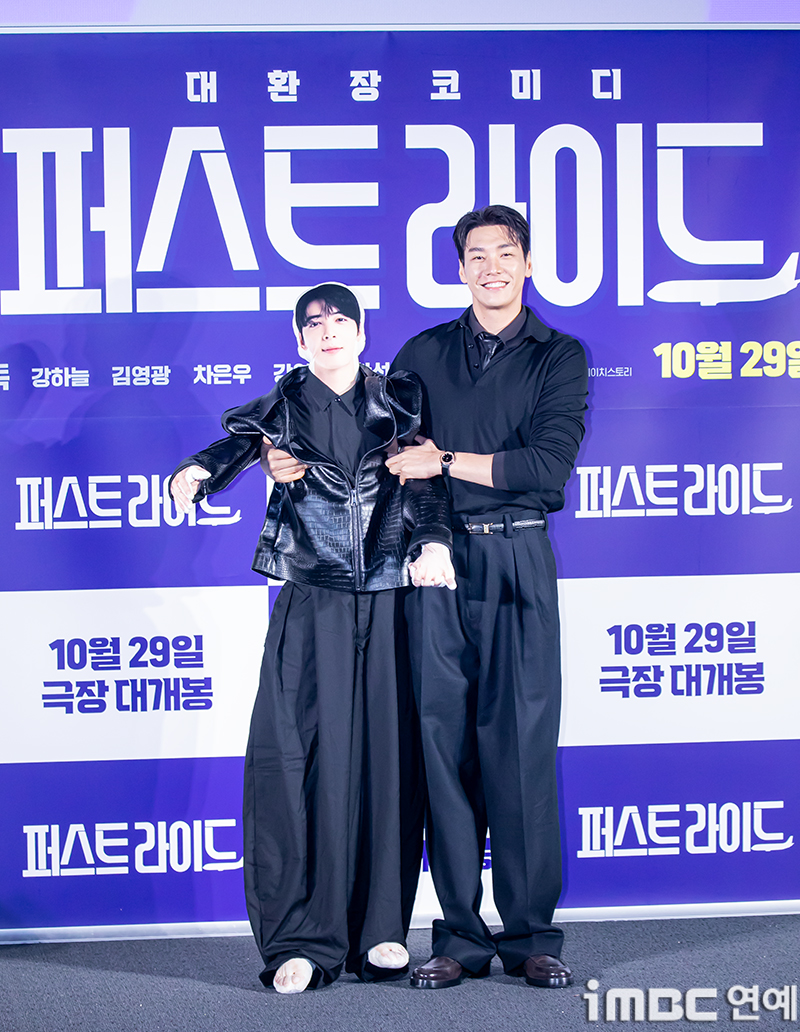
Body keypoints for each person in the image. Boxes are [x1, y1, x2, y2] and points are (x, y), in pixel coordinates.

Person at [170, 282, 454, 994]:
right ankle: (301, 939)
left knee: (387, 757)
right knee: (297, 756)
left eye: (340, 320)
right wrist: (199, 470)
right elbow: (237, 444)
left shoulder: (401, 400)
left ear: (361, 334)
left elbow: (423, 483)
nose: (328, 330)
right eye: (314, 323)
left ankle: (382, 929)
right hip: (311, 593)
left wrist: (435, 541)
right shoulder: (283, 404)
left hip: (388, 595)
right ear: (299, 341)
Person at [385, 205, 588, 989]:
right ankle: (460, 938)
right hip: (438, 563)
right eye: (476, 255)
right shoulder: (421, 353)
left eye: (506, 253)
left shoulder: (558, 355)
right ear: (460, 267)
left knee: (523, 748)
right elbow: (398, 461)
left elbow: (545, 467)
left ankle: (532, 935)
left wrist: (446, 459)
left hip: (518, 559)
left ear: (528, 264)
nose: (491, 266)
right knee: (445, 748)